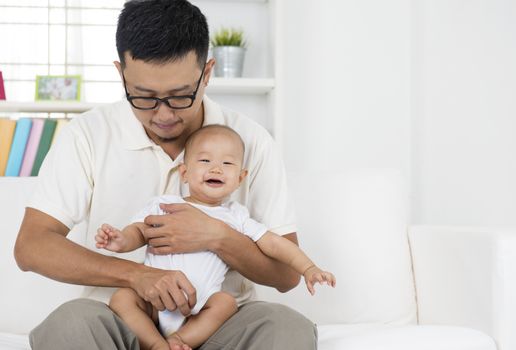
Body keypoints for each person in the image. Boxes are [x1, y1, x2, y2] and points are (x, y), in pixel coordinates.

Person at [13, 0, 319, 349]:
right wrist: (137, 275)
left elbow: (286, 275)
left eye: (179, 97)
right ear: (121, 74)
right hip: (120, 319)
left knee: (287, 328)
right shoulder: (86, 134)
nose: (162, 114)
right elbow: (32, 246)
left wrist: (217, 236)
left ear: (207, 74)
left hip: (218, 322)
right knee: (67, 325)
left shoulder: (251, 141)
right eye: (143, 97)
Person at [95, 125, 336, 350]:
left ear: (240, 179)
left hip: (200, 307)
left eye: (227, 163)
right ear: (184, 172)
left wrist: (308, 268)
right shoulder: (164, 205)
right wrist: (120, 241)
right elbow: (139, 231)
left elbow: (273, 243)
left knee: (226, 303)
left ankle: (179, 340)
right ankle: (156, 344)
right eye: (205, 160)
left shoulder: (237, 217)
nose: (216, 168)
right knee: (123, 298)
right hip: (154, 304)